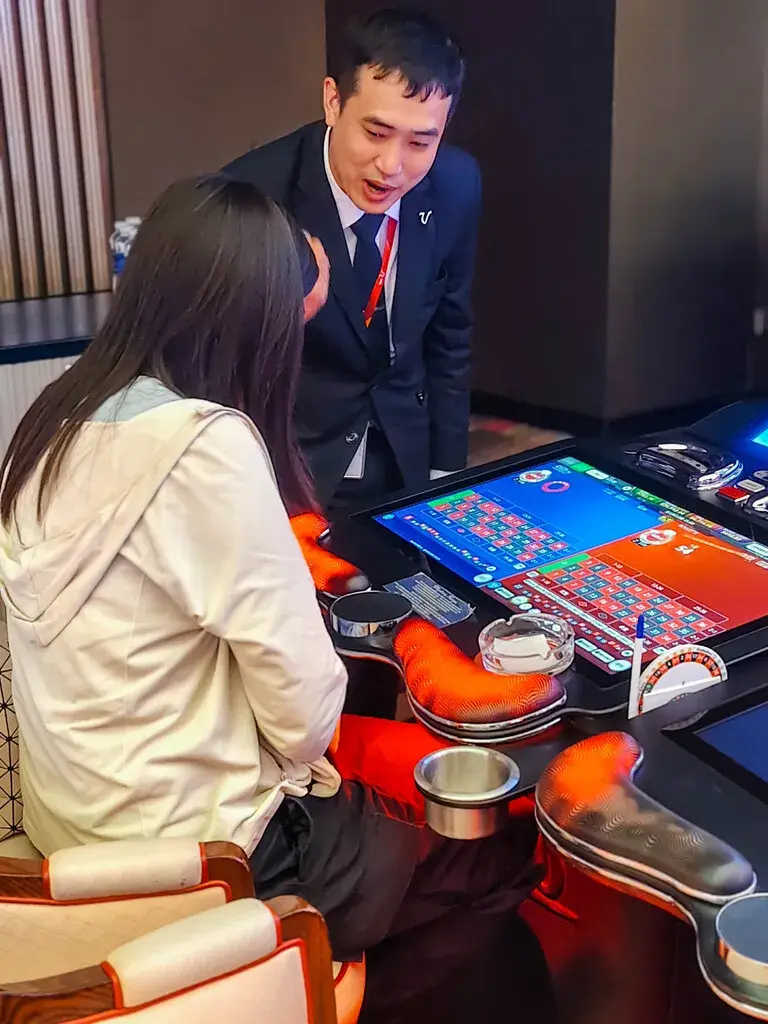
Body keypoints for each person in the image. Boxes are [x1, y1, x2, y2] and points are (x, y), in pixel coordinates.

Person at [0, 177, 548, 1021]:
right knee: (498, 858)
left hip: (78, 825)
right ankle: (313, 991)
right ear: (249, 327)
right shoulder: (203, 447)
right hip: (210, 853)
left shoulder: (55, 417)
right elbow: (303, 716)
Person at [224, 8, 480, 510]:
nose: (392, 166)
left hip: (405, 452)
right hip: (294, 464)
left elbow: (451, 333)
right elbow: (228, 360)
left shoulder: (456, 184)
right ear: (333, 101)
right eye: (376, 133)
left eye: (420, 142)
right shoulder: (255, 196)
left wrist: (448, 472)